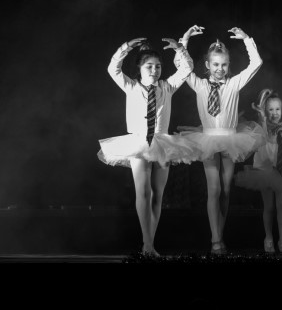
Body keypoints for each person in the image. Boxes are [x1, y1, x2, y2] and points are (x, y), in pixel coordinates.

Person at [98, 35, 196, 256]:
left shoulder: (167, 87)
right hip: (139, 143)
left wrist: (179, 49)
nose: (154, 70)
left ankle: (150, 242)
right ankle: (147, 243)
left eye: (158, 66)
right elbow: (113, 68)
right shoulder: (131, 86)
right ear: (140, 68)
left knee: (157, 195)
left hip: (162, 142)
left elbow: (187, 68)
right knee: (143, 192)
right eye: (149, 66)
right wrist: (125, 47)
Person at [175, 25, 265, 255]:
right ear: (207, 65)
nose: (220, 69)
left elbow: (256, 63)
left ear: (228, 65)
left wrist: (246, 38)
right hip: (207, 139)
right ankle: (215, 240)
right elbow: (182, 67)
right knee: (213, 189)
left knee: (225, 191)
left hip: (231, 139)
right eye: (215, 64)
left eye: (224, 65)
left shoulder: (234, 84)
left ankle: (220, 235)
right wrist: (184, 40)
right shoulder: (199, 84)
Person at [234, 89, 282, 253]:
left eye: (277, 109)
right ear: (264, 111)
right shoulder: (261, 129)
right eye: (270, 109)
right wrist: (262, 118)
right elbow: (264, 136)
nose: (274, 113)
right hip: (264, 173)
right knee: (269, 207)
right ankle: (268, 237)